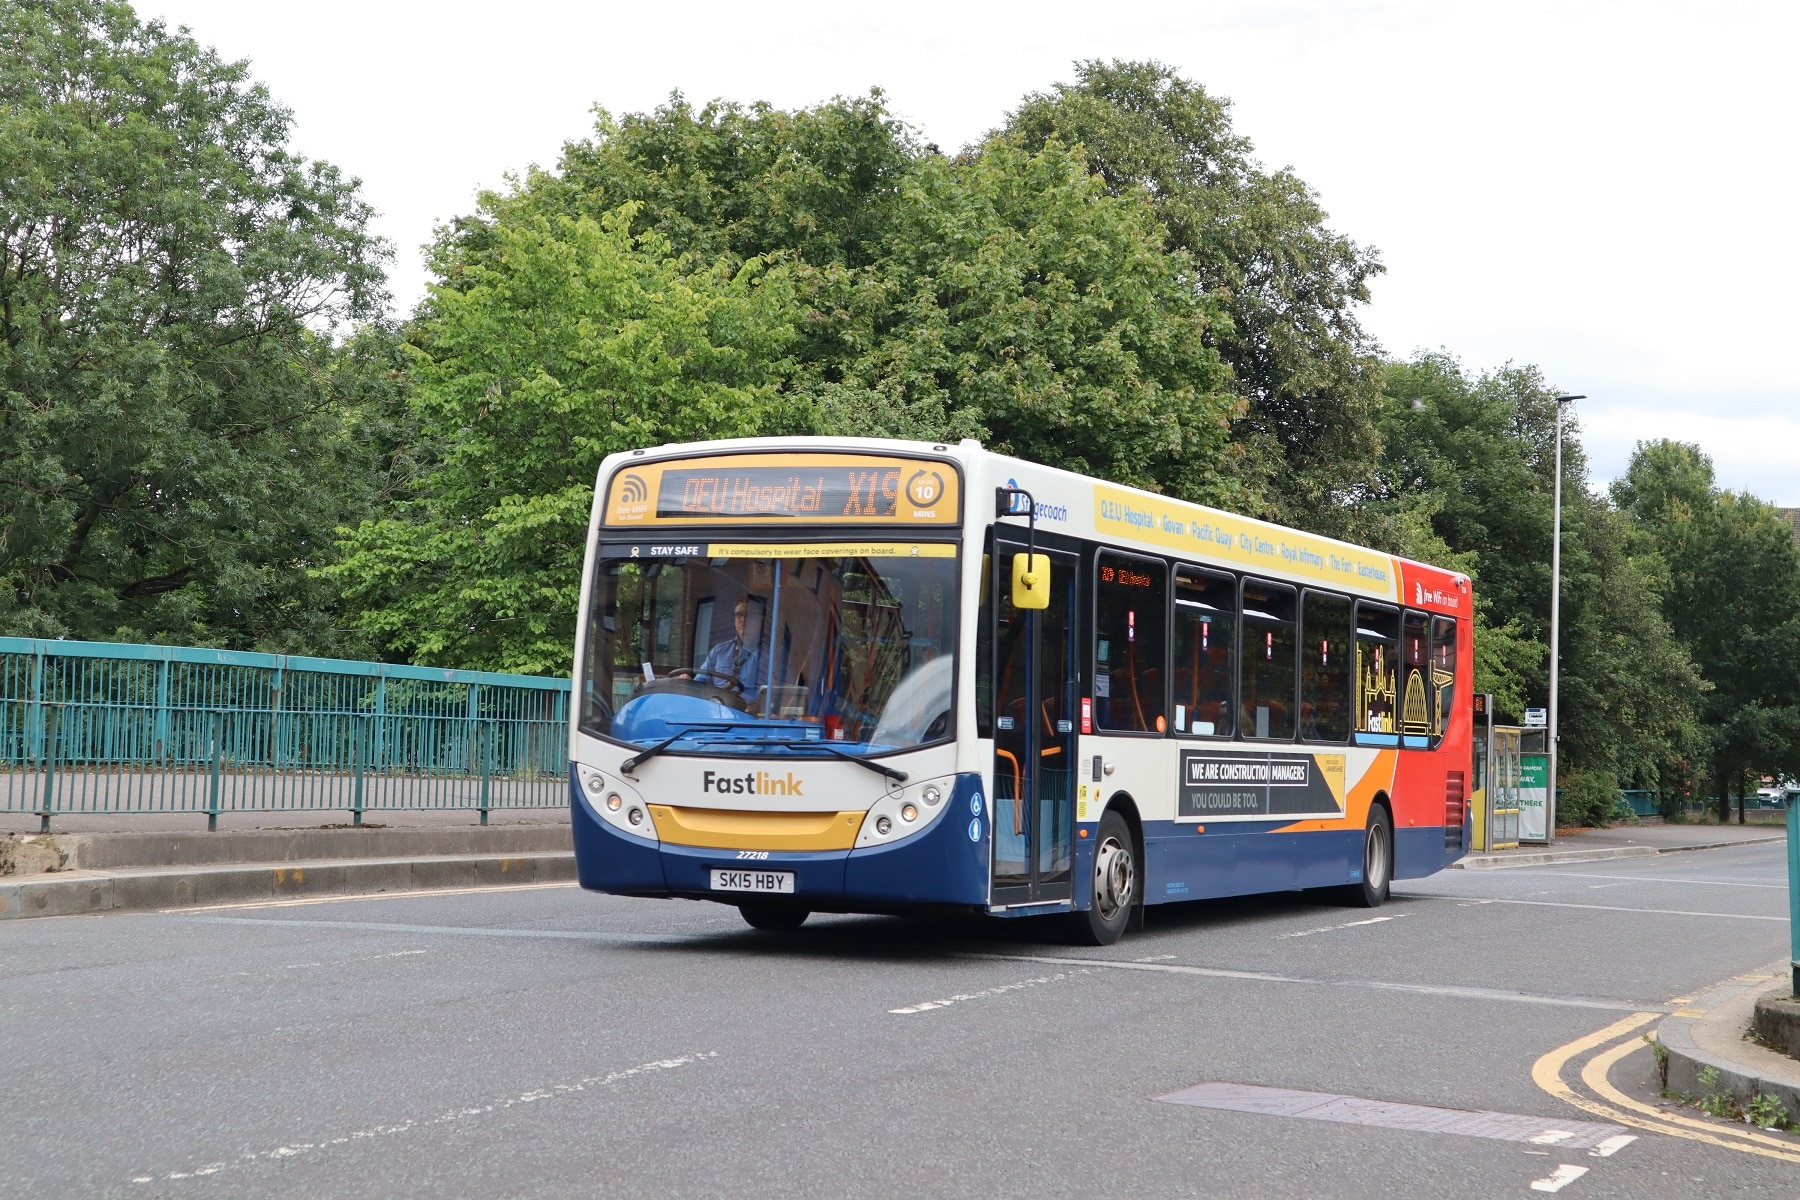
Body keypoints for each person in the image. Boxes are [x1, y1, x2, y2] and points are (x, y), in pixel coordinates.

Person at [696, 596, 766, 694]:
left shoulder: (773, 656)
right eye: (739, 615)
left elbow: (787, 694)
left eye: (749, 615)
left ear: (761, 619)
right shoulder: (719, 651)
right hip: (719, 707)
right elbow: (699, 685)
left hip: (754, 709)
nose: (743, 620)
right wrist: (686, 681)